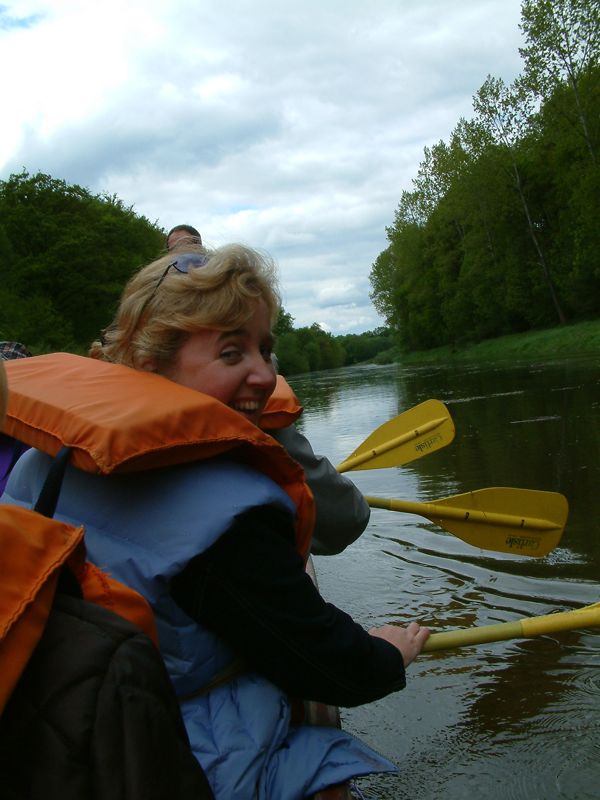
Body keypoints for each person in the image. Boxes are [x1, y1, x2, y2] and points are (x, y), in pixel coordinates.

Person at [5, 244, 429, 799]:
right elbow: (333, 668)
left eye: (265, 349)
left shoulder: (42, 461)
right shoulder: (229, 518)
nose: (265, 374)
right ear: (151, 362)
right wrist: (389, 654)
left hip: (51, 728)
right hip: (185, 756)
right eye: (232, 353)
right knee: (324, 757)